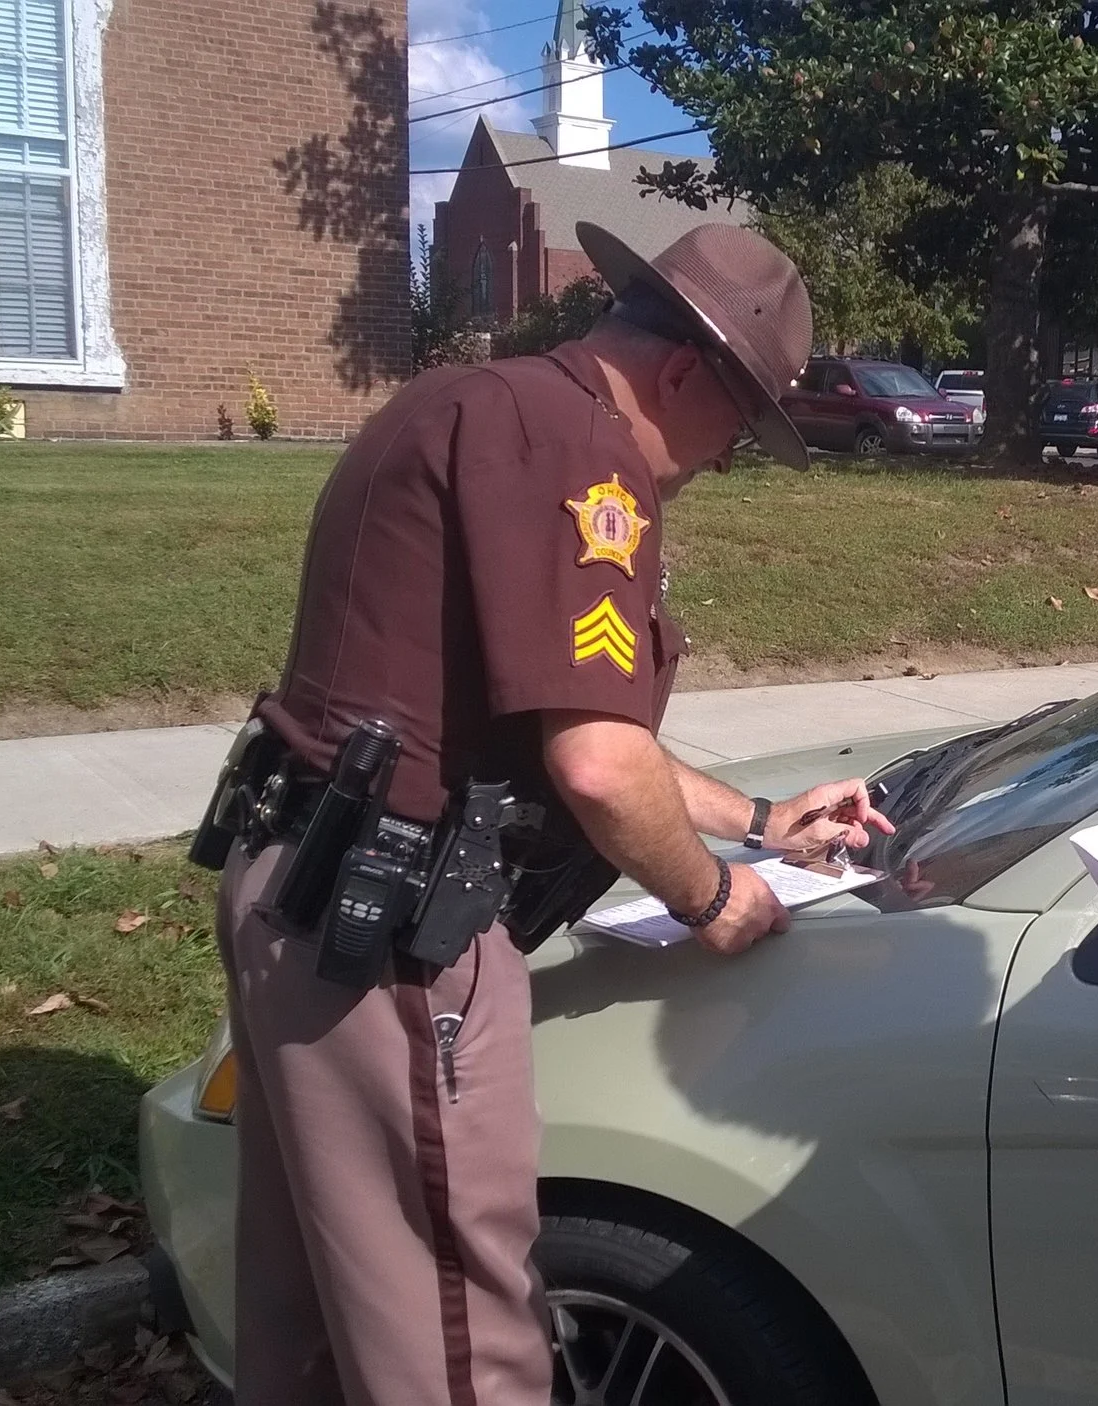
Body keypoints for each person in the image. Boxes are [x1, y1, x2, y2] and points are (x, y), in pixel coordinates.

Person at [210, 222, 892, 1406]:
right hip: (393, 933)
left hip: (299, 888)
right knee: (462, 1337)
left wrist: (758, 819)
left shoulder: (469, 403)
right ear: (681, 375)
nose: (722, 461)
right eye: (737, 426)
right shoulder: (585, 455)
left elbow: (558, 727)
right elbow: (598, 765)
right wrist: (715, 897)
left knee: (319, 1309)